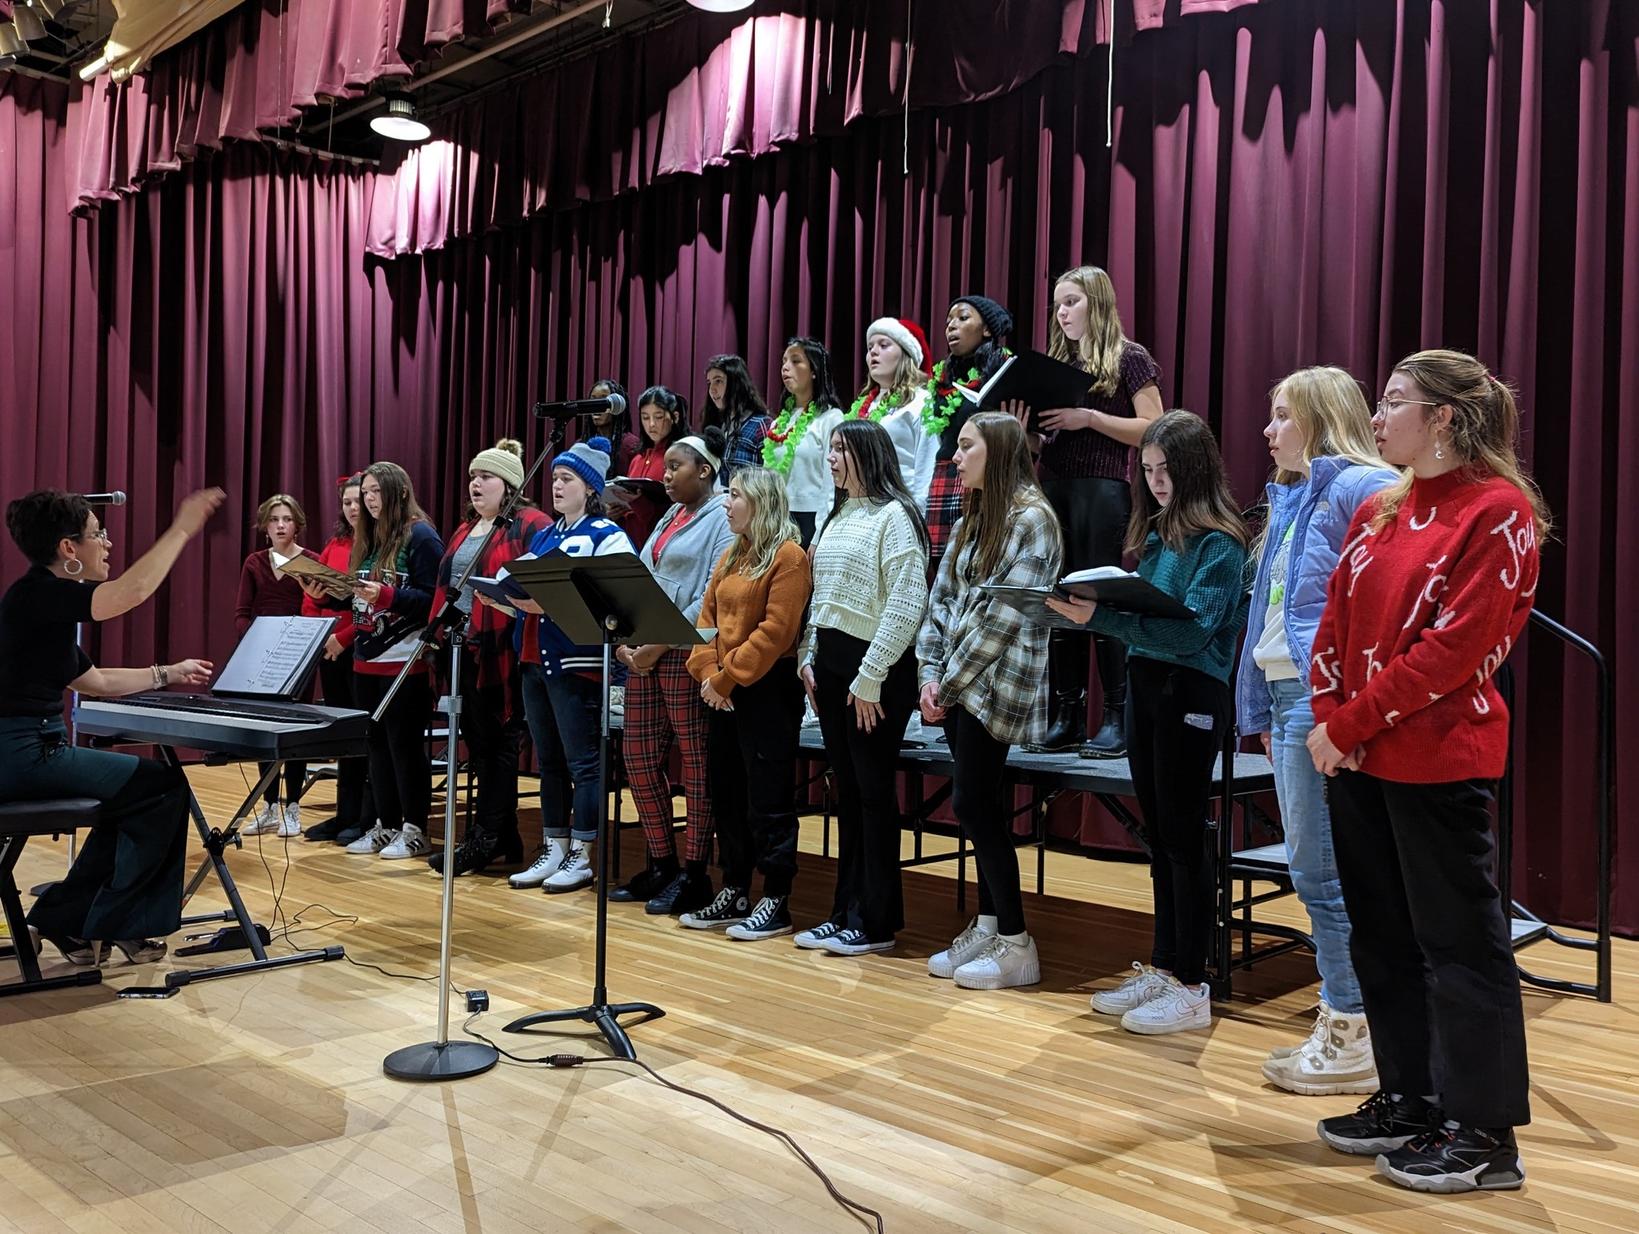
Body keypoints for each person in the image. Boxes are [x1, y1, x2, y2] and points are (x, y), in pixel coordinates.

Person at [1304, 350, 1545, 1193]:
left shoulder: (1497, 510)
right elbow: (1332, 620)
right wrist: (1330, 719)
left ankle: (1484, 1137)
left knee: (1459, 946)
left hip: (1436, 760)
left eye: (1393, 402)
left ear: (1443, 416)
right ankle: (1411, 1098)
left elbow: (1453, 650)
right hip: (1357, 756)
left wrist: (1347, 724)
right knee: (1381, 935)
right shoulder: (1383, 506)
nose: (1375, 418)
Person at [1052, 411, 1249, 1034]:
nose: (1157, 481)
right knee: (1160, 836)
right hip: (1146, 684)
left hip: (1190, 690)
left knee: (1184, 836)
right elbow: (1150, 619)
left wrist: (1102, 619)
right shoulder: (1162, 535)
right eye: (1148, 470)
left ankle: (1193, 984)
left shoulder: (1222, 542)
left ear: (1196, 468)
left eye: (1167, 470)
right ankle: (1165, 966)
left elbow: (1192, 634)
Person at [1233, 368, 1398, 1094]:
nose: (1267, 431)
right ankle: (1349, 1019)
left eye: (1281, 415)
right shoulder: (1294, 494)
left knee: (1321, 874)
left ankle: (1353, 1028)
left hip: (1317, 698)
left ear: (1320, 417)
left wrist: (1338, 707)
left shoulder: (1363, 485)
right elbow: (1275, 614)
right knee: (1318, 871)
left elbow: (1378, 608)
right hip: (1285, 694)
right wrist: (1265, 710)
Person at [0, 486, 222, 966]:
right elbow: (131, 593)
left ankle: (73, 921)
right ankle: (111, 923)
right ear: (68, 547)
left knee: (135, 798)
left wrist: (167, 672)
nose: (108, 544)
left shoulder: (38, 600)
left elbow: (96, 681)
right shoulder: (39, 595)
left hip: (26, 752)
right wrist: (182, 528)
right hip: (25, 755)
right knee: (162, 788)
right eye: (98, 534)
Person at [916, 412, 1062, 989]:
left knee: (974, 804)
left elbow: (1002, 618)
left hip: (996, 685)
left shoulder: (1034, 521)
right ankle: (990, 924)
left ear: (997, 452)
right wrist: (929, 673)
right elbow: (941, 601)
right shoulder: (971, 520)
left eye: (966, 446)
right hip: (956, 683)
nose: (955, 457)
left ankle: (1018, 943)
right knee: (977, 806)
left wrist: (946, 683)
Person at [794, 419, 929, 955]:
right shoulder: (836, 515)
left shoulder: (895, 515)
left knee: (872, 795)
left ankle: (876, 922)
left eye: (840, 449)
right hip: (831, 669)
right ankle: (843, 911)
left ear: (868, 455)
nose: (830, 458)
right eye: (829, 448)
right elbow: (820, 594)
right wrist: (808, 655)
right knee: (847, 794)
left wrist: (871, 675)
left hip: (876, 671)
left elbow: (907, 600)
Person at [1029, 266, 1165, 757]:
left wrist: (1088, 417)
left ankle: (1115, 716)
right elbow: (1042, 437)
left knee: (1099, 593)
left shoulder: (1130, 357)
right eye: (1058, 306)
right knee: (1058, 596)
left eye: (1072, 302)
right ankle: (1067, 713)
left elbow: (1154, 425)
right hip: (1054, 485)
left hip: (1103, 488)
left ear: (1098, 303)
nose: (1063, 314)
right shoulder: (1056, 364)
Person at [683, 467, 812, 939]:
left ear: (760, 502)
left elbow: (776, 632)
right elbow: (705, 621)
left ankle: (776, 899)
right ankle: (735, 888)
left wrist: (725, 679)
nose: (726, 503)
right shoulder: (732, 554)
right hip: (722, 692)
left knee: (768, 799)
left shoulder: (789, 556)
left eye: (734, 495)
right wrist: (707, 674)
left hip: (766, 691)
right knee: (727, 795)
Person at [502, 437, 636, 893]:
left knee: (584, 763)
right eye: (555, 478)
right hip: (534, 659)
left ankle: (582, 853)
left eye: (567, 479)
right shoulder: (545, 536)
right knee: (549, 761)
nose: (557, 487)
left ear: (590, 487)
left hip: (577, 662)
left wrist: (553, 601)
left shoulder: (606, 535)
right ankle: (554, 846)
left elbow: (618, 601)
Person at [614, 426, 734, 914]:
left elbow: (710, 595)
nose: (665, 476)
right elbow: (644, 579)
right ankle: (661, 862)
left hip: (684, 654)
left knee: (696, 765)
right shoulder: (671, 513)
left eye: (675, 467)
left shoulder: (721, 516)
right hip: (646, 653)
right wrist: (629, 640)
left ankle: (694, 872)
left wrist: (658, 643)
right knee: (639, 758)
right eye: (665, 468)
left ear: (704, 471)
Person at [425, 440, 553, 877]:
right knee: (478, 746)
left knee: (500, 743)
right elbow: (447, 588)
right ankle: (502, 834)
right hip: (464, 649)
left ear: (510, 485)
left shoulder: (530, 524)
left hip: (505, 648)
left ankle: (487, 835)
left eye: (486, 477)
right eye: (473, 477)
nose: (475, 484)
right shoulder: (466, 528)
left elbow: (537, 582)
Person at [343, 463, 445, 860]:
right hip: (365, 658)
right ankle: (384, 824)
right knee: (376, 748)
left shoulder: (420, 536)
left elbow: (434, 600)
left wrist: (387, 596)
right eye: (365, 492)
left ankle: (415, 829)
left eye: (376, 491)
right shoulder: (369, 537)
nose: (369, 500)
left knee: (404, 748)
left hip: (404, 660)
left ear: (400, 492)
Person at [233, 493, 317, 837]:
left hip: (298, 656)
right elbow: (242, 613)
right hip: (262, 658)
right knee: (265, 730)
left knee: (296, 732)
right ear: (264, 526)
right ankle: (269, 807)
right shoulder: (254, 563)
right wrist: (255, 643)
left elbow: (320, 607)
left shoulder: (311, 561)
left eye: (287, 519)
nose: (281, 526)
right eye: (274, 520)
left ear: (297, 524)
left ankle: (292, 807)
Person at [297, 473, 375, 845]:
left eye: (358, 500)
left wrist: (343, 638)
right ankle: (345, 813)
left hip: (358, 645)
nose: (353, 507)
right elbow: (313, 599)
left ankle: (365, 816)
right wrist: (321, 635)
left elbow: (371, 606)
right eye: (347, 502)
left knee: (363, 733)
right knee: (344, 734)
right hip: (329, 647)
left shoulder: (375, 544)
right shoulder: (336, 544)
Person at [924, 297, 1014, 576]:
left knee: (981, 560)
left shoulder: (1004, 368)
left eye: (963, 318)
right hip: (946, 473)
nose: (951, 326)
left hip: (987, 474)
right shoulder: (942, 376)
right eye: (948, 321)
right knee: (942, 566)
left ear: (986, 329)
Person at [762, 337, 844, 546]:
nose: (785, 367)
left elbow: (831, 483)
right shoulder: (779, 423)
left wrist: (820, 532)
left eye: (796, 361)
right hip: (776, 516)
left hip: (811, 518)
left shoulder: (831, 418)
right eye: (783, 361)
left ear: (814, 371)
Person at [852, 317, 936, 506]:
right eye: (870, 347)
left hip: (899, 507)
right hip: (860, 507)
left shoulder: (921, 401)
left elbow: (926, 467)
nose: (873, 351)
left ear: (906, 354)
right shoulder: (863, 406)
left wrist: (918, 516)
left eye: (883, 345)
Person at [607, 385, 688, 552]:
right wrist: (615, 512)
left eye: (658, 417)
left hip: (662, 546)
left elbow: (680, 511)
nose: (651, 424)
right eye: (645, 417)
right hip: (630, 544)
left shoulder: (681, 457)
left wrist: (637, 503)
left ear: (675, 417)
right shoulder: (638, 458)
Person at [702, 354, 772, 482]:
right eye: (709, 383)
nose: (712, 389)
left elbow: (770, 478)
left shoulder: (761, 425)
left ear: (735, 383)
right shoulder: (717, 425)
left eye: (718, 381)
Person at [586, 378, 641, 478]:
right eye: (593, 400)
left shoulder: (631, 445)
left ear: (617, 407)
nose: (597, 406)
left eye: (604, 400)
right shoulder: (582, 444)